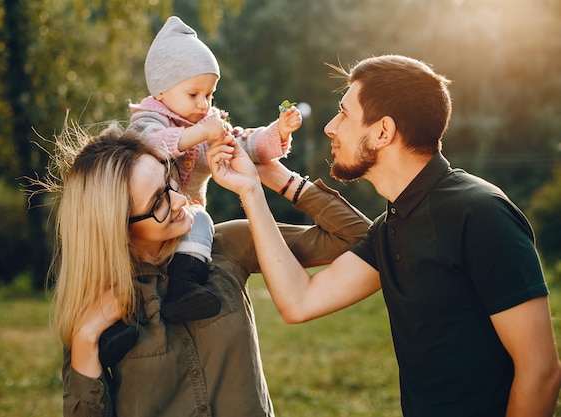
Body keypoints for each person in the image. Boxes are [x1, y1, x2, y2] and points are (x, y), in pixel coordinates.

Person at [207, 54, 561, 417]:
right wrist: (253, 187)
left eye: (344, 113)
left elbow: (541, 372)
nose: (331, 127)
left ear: (382, 132)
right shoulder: (392, 227)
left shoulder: (480, 212)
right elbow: (298, 301)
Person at [40, 121, 369, 416]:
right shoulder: (95, 310)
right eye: (158, 202)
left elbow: (357, 238)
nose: (180, 200)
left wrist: (264, 180)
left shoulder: (226, 245)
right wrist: (84, 344)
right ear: (117, 226)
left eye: (170, 180)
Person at [126, 15, 302, 324]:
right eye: (193, 94)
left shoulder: (206, 126)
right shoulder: (148, 119)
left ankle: (185, 288)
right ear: (162, 91)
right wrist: (201, 133)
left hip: (182, 221)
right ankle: (113, 329)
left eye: (209, 95)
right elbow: (148, 145)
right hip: (141, 227)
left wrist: (278, 132)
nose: (203, 103)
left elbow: (242, 146)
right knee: (122, 281)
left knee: (201, 220)